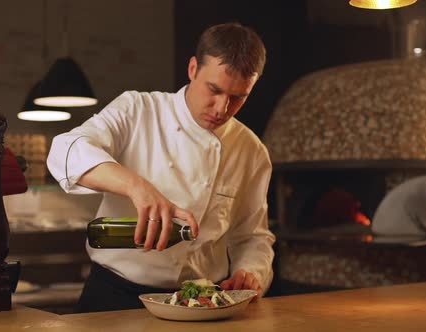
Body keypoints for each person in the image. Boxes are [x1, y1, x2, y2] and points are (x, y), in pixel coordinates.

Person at [47, 22, 275, 313]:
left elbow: (252, 236)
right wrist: (136, 186)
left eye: (238, 97)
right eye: (214, 90)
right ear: (193, 69)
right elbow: (66, 149)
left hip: (199, 301)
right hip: (114, 298)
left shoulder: (251, 151)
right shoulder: (137, 110)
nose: (221, 108)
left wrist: (251, 272)